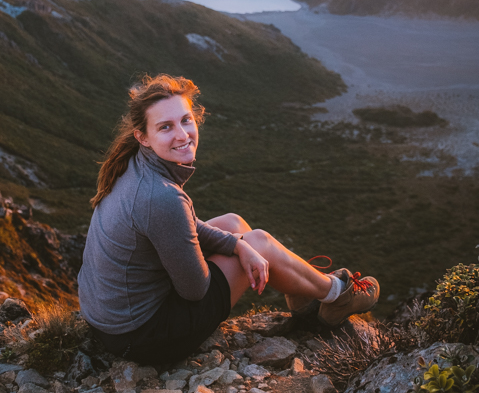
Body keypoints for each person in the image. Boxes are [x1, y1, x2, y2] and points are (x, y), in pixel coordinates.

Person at [78, 74, 379, 365]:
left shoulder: (133, 166)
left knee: (235, 225)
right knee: (258, 242)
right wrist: (244, 250)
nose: (182, 135)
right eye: (166, 127)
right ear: (142, 136)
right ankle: (338, 295)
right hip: (142, 337)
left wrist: (237, 245)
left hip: (111, 322)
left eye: (185, 120)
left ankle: (305, 297)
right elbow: (195, 290)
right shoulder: (162, 197)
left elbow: (182, 227)